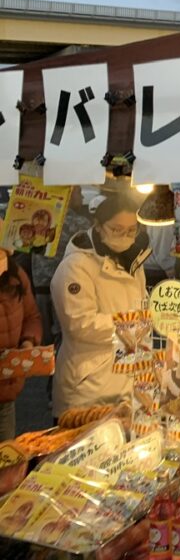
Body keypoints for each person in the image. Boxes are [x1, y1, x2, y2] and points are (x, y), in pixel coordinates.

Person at [51, 193, 150, 417]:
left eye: (131, 230)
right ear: (98, 225)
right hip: (87, 385)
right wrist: (131, 325)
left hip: (126, 379)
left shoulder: (133, 262)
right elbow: (80, 323)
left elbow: (142, 306)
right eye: (116, 229)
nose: (124, 236)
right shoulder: (76, 266)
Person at [32, 187, 91, 354]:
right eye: (79, 192)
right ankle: (56, 375)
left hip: (40, 287)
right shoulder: (80, 223)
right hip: (66, 288)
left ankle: (47, 371)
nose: (83, 196)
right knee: (63, 336)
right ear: (69, 194)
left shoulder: (39, 220)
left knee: (44, 340)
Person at [0, 249, 42, 439]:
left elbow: (31, 316)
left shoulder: (15, 275)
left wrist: (28, 342)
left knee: (7, 457)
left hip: (7, 389)